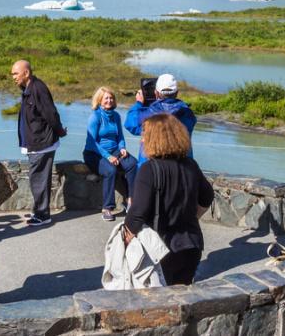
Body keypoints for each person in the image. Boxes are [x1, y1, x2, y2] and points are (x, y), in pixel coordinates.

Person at [124, 114, 215, 285]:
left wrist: (124, 238)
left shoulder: (148, 170)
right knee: (182, 299)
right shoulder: (191, 165)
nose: (142, 139)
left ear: (155, 138)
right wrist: (193, 217)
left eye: (145, 134)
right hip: (191, 245)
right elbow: (207, 197)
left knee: (157, 305)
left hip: (160, 247)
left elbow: (137, 213)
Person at [13, 59, 67, 227]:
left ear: (26, 73)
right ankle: (39, 210)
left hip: (42, 143)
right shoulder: (28, 89)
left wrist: (59, 132)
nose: (13, 77)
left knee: (39, 179)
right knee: (36, 178)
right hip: (35, 143)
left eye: (16, 73)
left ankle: (43, 215)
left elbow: (50, 114)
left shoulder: (38, 89)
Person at [83, 86, 138, 221]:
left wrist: (122, 147)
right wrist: (108, 156)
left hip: (114, 150)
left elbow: (120, 136)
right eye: (106, 98)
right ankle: (107, 208)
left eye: (111, 98)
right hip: (94, 153)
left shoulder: (116, 116)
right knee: (110, 170)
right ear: (100, 100)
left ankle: (130, 201)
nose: (109, 100)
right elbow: (92, 142)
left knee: (132, 164)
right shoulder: (95, 117)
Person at [125, 74, 197, 164]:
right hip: (182, 166)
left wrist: (139, 103)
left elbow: (131, 124)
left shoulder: (150, 113)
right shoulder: (187, 113)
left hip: (151, 167)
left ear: (156, 92)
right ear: (177, 93)